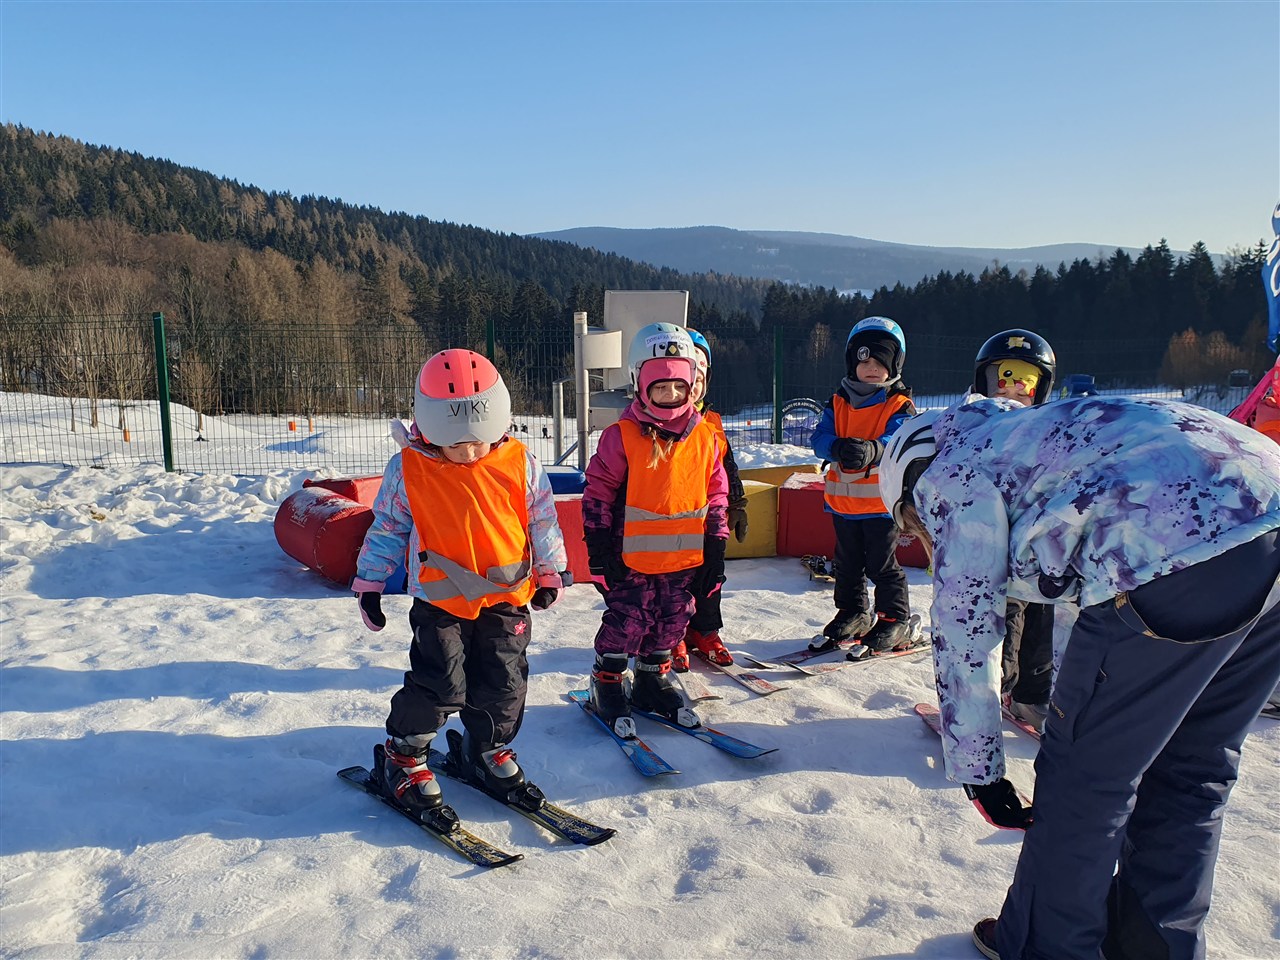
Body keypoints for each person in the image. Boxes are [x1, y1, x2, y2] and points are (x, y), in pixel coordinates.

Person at [878, 395, 1280, 960]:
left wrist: (979, 773)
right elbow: (1081, 590)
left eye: (909, 523)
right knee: (1193, 770)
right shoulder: (1034, 439)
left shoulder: (949, 473)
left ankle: (1043, 947)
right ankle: (1154, 949)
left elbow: (966, 621)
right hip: (1267, 521)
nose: (921, 535)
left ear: (908, 483)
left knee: (1084, 780)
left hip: (1178, 548)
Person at [352, 349, 568, 814]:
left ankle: (485, 749)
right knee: (441, 683)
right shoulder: (409, 468)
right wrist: (370, 583)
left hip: (506, 597)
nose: (469, 453)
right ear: (428, 428)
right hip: (440, 602)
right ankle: (403, 756)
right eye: (455, 445)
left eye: (478, 442)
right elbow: (388, 527)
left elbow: (542, 520)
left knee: (505, 683)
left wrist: (550, 571)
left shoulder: (521, 463)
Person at [583, 322, 729, 737]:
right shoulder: (622, 436)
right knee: (627, 620)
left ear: (692, 386)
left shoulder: (705, 437)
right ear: (640, 384)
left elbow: (716, 493)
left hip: (683, 558)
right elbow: (598, 491)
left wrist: (716, 546)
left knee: (673, 619)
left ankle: (652, 679)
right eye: (660, 387)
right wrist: (598, 544)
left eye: (678, 387)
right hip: (630, 558)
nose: (670, 396)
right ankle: (607, 681)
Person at [809, 316, 917, 654]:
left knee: (881, 564)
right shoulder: (838, 401)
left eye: (880, 363)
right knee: (847, 563)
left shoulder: (898, 404)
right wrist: (836, 447)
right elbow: (819, 438)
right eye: (865, 361)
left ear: (894, 366)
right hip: (844, 505)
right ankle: (853, 611)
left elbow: (900, 438)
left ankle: (894, 618)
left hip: (882, 506)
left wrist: (874, 450)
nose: (872, 368)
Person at [971, 328, 1059, 732]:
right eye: (1003, 379)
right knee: (1002, 622)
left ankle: (1031, 696)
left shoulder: (1051, 429)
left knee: (1040, 620)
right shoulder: (974, 428)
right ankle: (988, 698)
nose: (1013, 390)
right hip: (992, 547)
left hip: (1039, 545)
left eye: (1025, 381)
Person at [670, 327, 749, 670]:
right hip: (672, 521)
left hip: (710, 519)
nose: (694, 385)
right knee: (676, 581)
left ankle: (705, 630)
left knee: (711, 577)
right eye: (689, 377)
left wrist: (738, 504)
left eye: (701, 378)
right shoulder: (659, 422)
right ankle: (673, 633)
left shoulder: (712, 422)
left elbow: (727, 466)